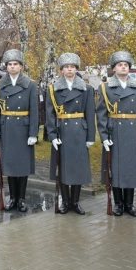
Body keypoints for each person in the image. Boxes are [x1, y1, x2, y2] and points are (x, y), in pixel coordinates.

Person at [97, 51, 136, 217]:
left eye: (126, 65)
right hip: (115, 131)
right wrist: (104, 137)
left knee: (132, 168)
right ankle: (118, 203)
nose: (123, 67)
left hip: (133, 131)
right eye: (120, 65)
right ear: (114, 68)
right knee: (116, 169)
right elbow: (101, 115)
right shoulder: (105, 88)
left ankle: (130, 204)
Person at [46, 53, 95, 215]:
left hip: (79, 131)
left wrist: (90, 137)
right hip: (62, 131)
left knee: (78, 168)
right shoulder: (53, 90)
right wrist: (52, 136)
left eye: (72, 67)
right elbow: (50, 115)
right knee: (63, 168)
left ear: (76, 69)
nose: (69, 70)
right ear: (61, 70)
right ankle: (65, 202)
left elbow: (90, 113)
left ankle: (75, 202)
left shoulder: (86, 89)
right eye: (66, 67)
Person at [0, 50, 38, 212]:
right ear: (6, 67)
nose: (12, 67)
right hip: (6, 129)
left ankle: (21, 199)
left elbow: (34, 111)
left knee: (22, 166)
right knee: (10, 165)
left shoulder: (30, 84)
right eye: (10, 64)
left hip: (23, 129)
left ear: (21, 66)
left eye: (15, 64)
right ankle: (12, 198)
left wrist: (33, 133)